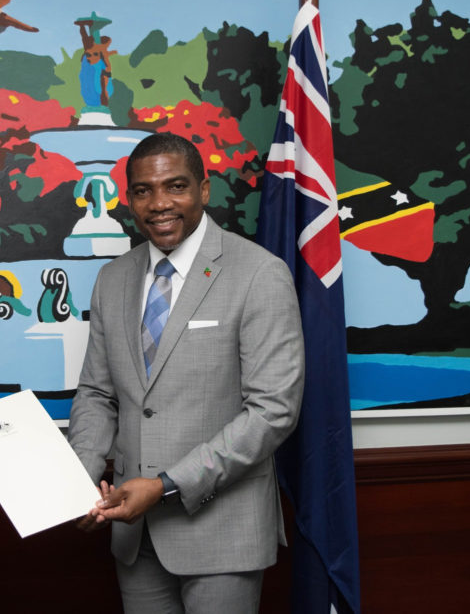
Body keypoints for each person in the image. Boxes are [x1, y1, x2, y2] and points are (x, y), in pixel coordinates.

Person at [68, 132, 304, 614]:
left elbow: (273, 412)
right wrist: (79, 484)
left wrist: (166, 485)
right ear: (129, 198)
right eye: (143, 191)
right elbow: (97, 393)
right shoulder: (112, 278)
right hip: (133, 534)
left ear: (204, 189)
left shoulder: (259, 273)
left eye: (175, 186)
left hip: (222, 531)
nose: (159, 204)